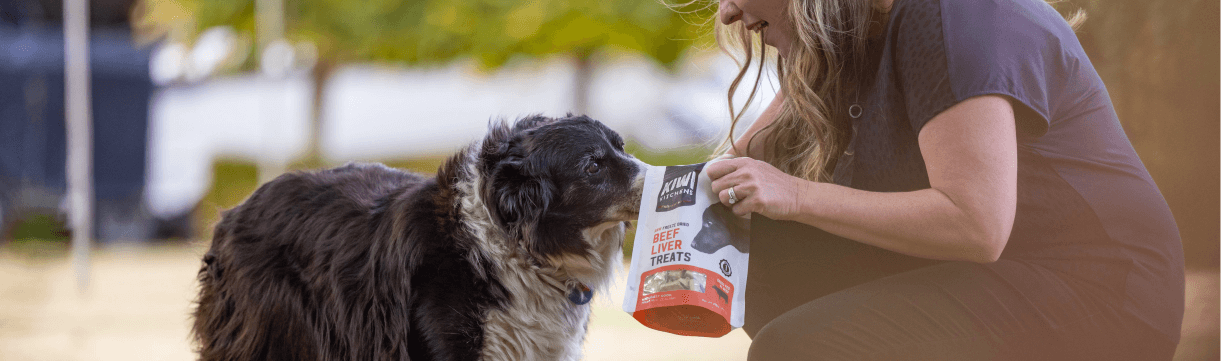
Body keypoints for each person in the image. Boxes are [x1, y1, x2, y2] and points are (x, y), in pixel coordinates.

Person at [697, 0, 1185, 359]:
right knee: (755, 246)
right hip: (986, 274)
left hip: (1096, 291)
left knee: (794, 348)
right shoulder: (847, 37)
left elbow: (976, 224)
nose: (726, 13)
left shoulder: (953, 15)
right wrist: (642, 194)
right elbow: (731, 172)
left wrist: (799, 195)